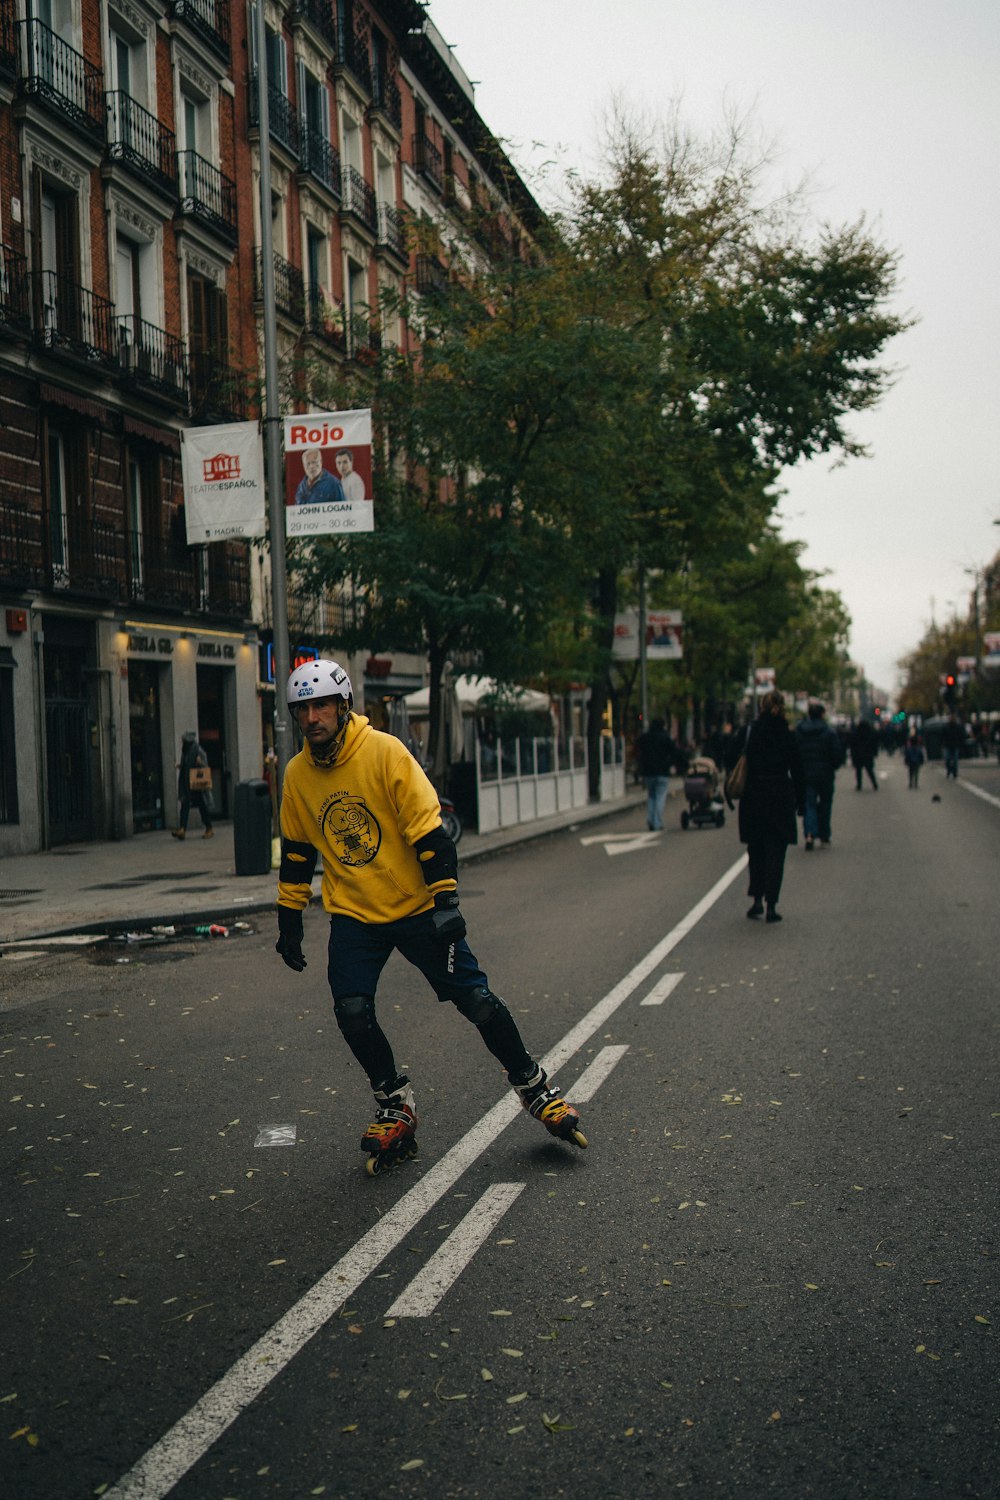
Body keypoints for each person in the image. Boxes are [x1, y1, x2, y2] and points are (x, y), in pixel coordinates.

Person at [273, 659, 587, 1173]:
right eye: (302, 708)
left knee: (477, 1001)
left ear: (343, 705)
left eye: (322, 705)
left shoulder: (384, 752)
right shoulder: (297, 774)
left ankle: (534, 1086)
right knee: (351, 1010)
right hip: (355, 912)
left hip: (417, 907)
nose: (312, 717)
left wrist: (446, 903)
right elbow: (297, 854)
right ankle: (394, 1101)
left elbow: (429, 831)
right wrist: (288, 921)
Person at [728, 690, 805, 924]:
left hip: (754, 796)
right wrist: (801, 801)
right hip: (780, 795)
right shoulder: (787, 733)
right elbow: (798, 769)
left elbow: (730, 756)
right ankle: (772, 905)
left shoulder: (750, 731)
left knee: (756, 850)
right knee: (776, 853)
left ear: (761, 706)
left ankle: (756, 901)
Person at [794, 699, 844, 850]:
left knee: (809, 804)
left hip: (806, 773)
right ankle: (824, 835)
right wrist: (833, 766)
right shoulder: (829, 732)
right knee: (825, 804)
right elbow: (837, 754)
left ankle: (809, 833)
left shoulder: (800, 731)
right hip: (825, 774)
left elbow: (794, 752)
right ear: (822, 715)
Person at [635, 717, 680, 831]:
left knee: (651, 796)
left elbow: (638, 749)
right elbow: (674, 752)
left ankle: (651, 819)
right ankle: (657, 822)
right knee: (660, 797)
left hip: (648, 772)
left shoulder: (645, 737)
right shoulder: (665, 738)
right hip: (662, 772)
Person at [171, 730, 213, 839]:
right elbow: (186, 764)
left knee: (202, 806)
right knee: (184, 805)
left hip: (196, 784)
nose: (182, 742)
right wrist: (181, 765)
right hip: (187, 783)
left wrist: (200, 763)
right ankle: (182, 829)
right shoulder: (185, 751)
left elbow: (205, 765)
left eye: (183, 740)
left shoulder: (197, 750)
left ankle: (209, 827)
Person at [849, 718, 879, 791]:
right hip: (868, 754)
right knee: (870, 770)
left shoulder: (855, 733)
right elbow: (874, 744)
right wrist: (875, 753)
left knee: (858, 771)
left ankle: (859, 785)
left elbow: (852, 745)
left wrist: (852, 755)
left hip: (858, 754)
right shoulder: (871, 733)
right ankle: (874, 784)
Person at [941, 712, 964, 779]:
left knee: (955, 760)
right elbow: (942, 736)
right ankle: (949, 770)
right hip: (947, 745)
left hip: (955, 745)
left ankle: (954, 773)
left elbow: (961, 736)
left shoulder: (958, 727)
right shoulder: (946, 727)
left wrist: (960, 744)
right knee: (947, 759)